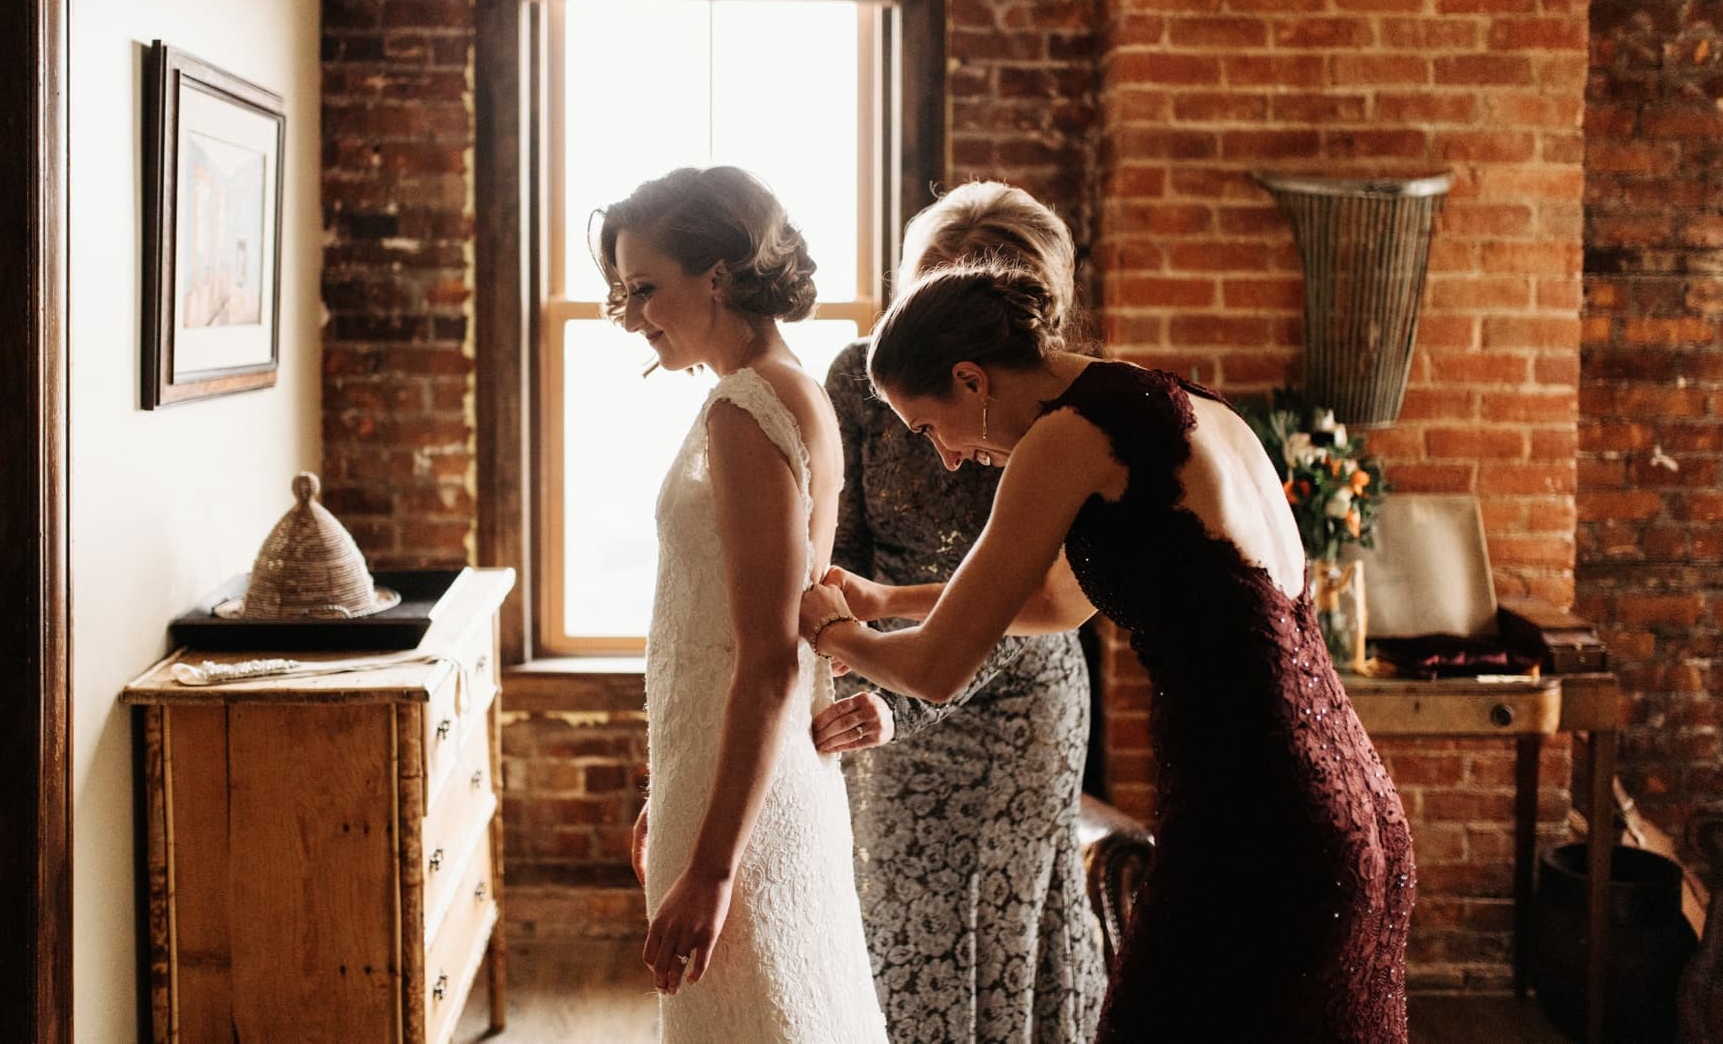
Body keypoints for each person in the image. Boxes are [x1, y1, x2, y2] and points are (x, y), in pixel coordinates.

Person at [799, 264, 1414, 1043]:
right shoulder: (1176, 404)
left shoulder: (1063, 439)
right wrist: (887, 602)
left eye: (927, 428)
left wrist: (830, 630)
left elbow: (934, 669)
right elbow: (1055, 603)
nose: (947, 459)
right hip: (1352, 807)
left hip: (1255, 819)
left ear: (969, 378)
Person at [595, 165, 887, 1043]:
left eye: (646, 288)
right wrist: (680, 785)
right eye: (623, 291)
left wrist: (714, 867)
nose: (635, 316)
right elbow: (785, 617)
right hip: (747, 767)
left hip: (747, 807)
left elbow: (766, 654)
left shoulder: (745, 407)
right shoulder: (795, 388)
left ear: (716, 275)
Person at [809, 182, 1106, 1043]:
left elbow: (1032, 596)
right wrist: (851, 650)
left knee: (1002, 937)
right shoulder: (860, 382)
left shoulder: (1054, 415)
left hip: (1019, 705)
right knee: (895, 930)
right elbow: (847, 549)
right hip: (883, 672)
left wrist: (894, 687)